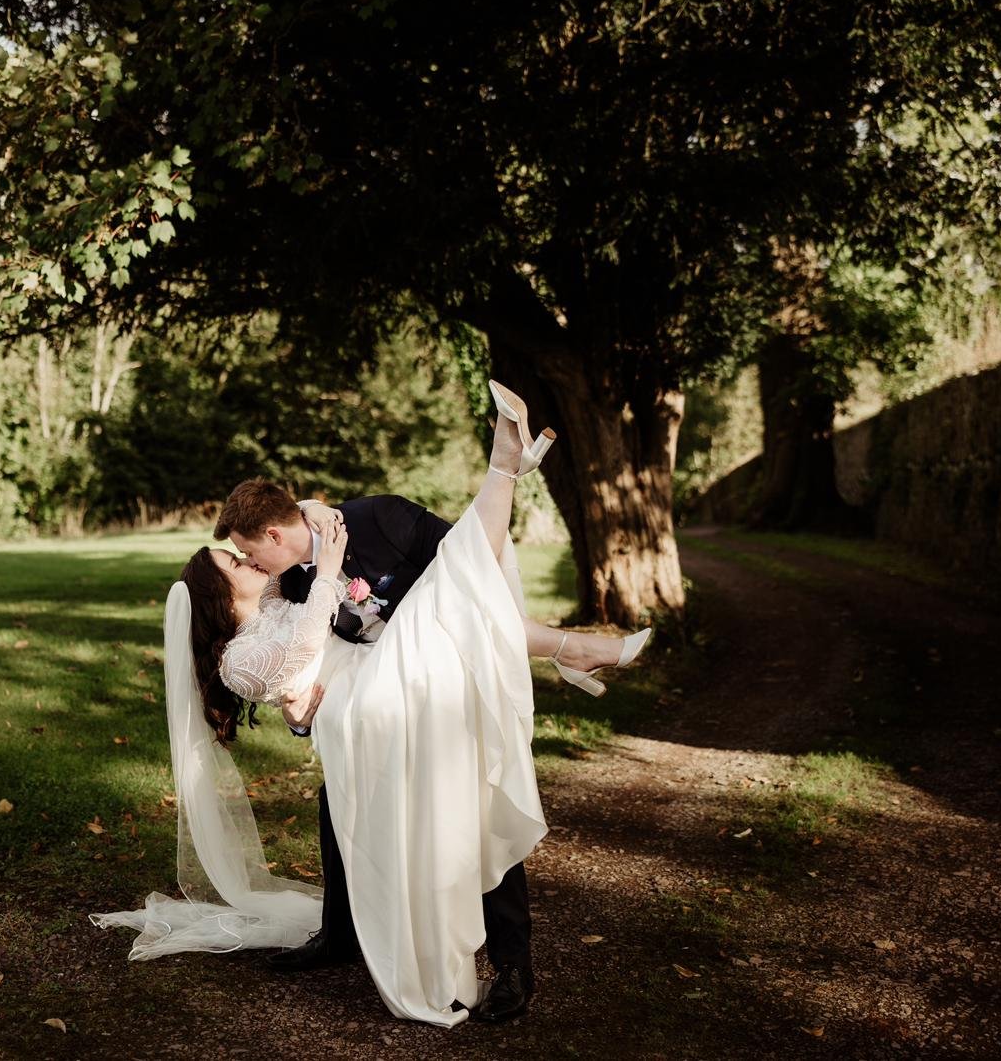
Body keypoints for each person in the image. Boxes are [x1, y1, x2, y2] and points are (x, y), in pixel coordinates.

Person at [93, 382, 651, 1027]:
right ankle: (341, 933)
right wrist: (299, 705)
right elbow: (292, 654)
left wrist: (317, 527)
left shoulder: (379, 517)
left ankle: (512, 963)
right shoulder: (288, 582)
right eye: (239, 560)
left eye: (248, 552)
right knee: (340, 807)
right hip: (368, 705)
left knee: (472, 796)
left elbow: (477, 575)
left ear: (272, 533)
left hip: (431, 685)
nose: (250, 562)